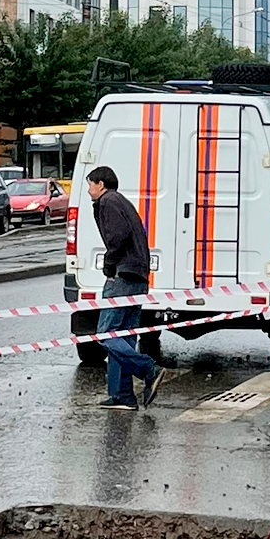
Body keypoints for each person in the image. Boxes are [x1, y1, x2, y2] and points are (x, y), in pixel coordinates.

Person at [85, 167, 162, 410]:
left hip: (123, 277)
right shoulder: (122, 202)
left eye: (90, 184)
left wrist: (109, 268)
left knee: (106, 334)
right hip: (138, 275)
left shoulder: (108, 201)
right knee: (124, 337)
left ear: (101, 184)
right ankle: (122, 396)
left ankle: (149, 369)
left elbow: (118, 237)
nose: (89, 189)